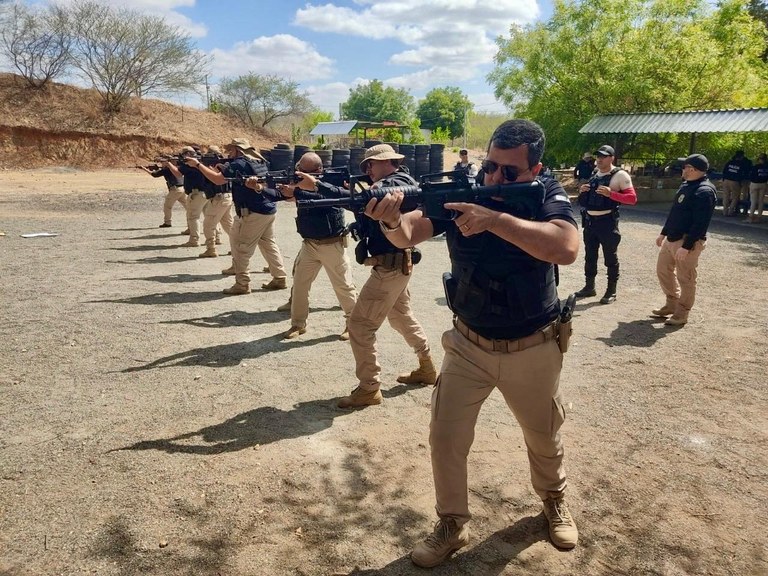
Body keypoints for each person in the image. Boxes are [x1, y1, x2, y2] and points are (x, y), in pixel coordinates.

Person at [363, 119, 580, 566]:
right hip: (467, 345)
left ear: (536, 169)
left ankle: (554, 500)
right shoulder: (465, 190)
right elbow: (410, 232)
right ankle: (452, 523)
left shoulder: (548, 195)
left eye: (510, 172)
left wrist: (495, 220)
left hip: (533, 344)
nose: (497, 178)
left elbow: (565, 248)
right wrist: (389, 222)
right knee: (445, 436)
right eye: (492, 167)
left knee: (542, 435)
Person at [334, 144, 437, 409]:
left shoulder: (399, 181)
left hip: (391, 268)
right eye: (367, 166)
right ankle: (426, 367)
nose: (368, 169)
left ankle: (369, 389)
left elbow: (393, 195)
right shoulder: (384, 185)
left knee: (359, 326)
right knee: (401, 317)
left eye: (371, 164)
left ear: (388, 162)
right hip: (395, 266)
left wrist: (358, 193)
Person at [249, 152, 358, 340]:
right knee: (299, 285)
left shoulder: (331, 184)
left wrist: (297, 190)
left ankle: (353, 325)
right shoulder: (300, 183)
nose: (302, 174)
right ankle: (298, 324)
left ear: (319, 170)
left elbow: (316, 197)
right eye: (301, 170)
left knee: (344, 287)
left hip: (332, 243)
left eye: (307, 172)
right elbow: (282, 196)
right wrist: (259, 188)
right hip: (309, 244)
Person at [187, 138, 288, 295]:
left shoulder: (239, 163)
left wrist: (198, 165)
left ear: (238, 150)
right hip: (267, 209)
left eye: (232, 150)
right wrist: (222, 168)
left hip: (253, 212)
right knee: (268, 243)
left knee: (241, 248)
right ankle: (279, 278)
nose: (229, 153)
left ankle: (242, 284)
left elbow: (218, 179)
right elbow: (226, 175)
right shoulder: (259, 161)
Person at [651, 154, 717, 327]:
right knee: (663, 270)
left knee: (686, 278)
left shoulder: (705, 191)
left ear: (692, 169)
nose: (682, 170)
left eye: (685, 167)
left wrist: (687, 246)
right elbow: (675, 212)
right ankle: (671, 303)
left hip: (687, 241)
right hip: (672, 238)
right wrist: (663, 233)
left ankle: (682, 313)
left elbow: (700, 223)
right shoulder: (686, 186)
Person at [574, 145, 637, 304]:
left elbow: (632, 199)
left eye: (603, 156)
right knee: (590, 256)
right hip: (590, 222)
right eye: (598, 156)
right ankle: (589, 287)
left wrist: (611, 194)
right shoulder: (595, 173)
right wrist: (582, 190)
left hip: (607, 222)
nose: (599, 159)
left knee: (610, 257)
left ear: (611, 158)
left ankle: (611, 291)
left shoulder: (620, 175)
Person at [194, 145, 233, 259]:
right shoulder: (226, 165)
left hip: (219, 198)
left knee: (208, 224)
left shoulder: (221, 165)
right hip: (226, 197)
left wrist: (202, 167)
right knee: (228, 225)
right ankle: (236, 248)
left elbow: (216, 180)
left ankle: (211, 249)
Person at [167, 146, 207, 247]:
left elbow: (178, 174)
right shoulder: (202, 160)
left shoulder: (190, 163)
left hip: (196, 193)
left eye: (184, 154)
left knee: (193, 217)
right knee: (208, 216)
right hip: (207, 193)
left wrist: (169, 164)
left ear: (188, 154)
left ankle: (194, 240)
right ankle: (216, 238)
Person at [137, 160, 186, 228]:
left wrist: (144, 169)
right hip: (182, 189)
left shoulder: (166, 170)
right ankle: (193, 220)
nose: (161, 164)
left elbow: (154, 174)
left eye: (162, 162)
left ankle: (167, 222)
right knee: (188, 206)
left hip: (175, 190)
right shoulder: (176, 168)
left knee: (167, 206)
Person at [721, 151, 750, 216]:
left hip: (726, 180)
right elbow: (743, 174)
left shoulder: (729, 162)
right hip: (735, 182)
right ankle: (730, 211)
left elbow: (724, 171)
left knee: (726, 196)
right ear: (742, 156)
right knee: (735, 197)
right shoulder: (742, 164)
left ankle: (725, 211)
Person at [746, 152, 767, 223]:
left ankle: (750, 217)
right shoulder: (767, 167)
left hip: (754, 184)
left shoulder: (755, 167)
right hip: (763, 184)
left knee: (753, 201)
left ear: (759, 159)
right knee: (761, 201)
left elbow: (751, 175)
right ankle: (759, 217)